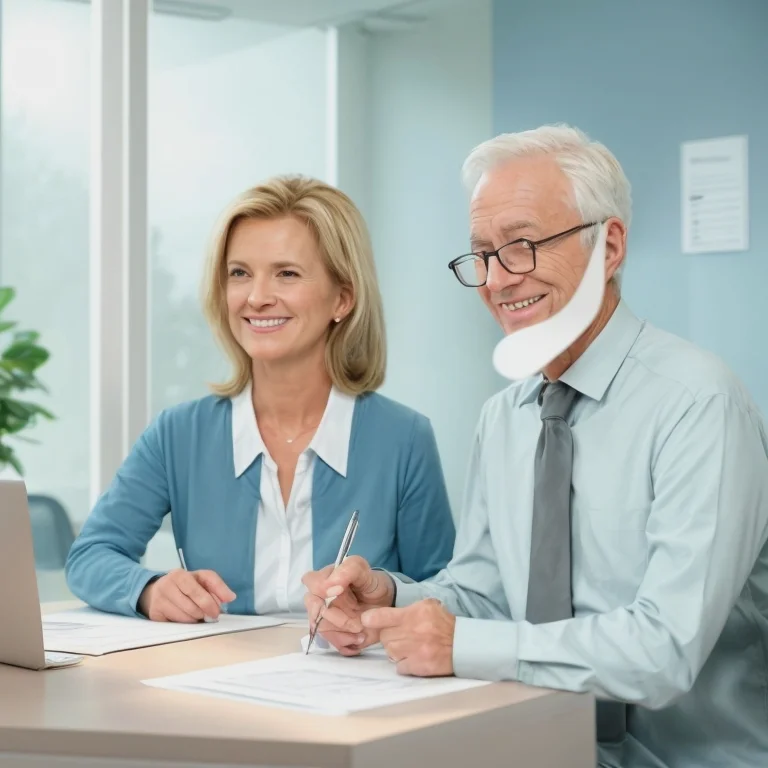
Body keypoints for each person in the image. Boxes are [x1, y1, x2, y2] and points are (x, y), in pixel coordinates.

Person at [302, 126, 768, 768]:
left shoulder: (700, 404)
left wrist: (459, 645)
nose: (497, 280)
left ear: (609, 247)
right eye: (483, 255)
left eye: (521, 247)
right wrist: (390, 599)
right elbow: (485, 596)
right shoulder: (505, 417)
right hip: (538, 745)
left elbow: (665, 651)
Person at [66, 175, 455, 623]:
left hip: (356, 683)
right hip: (214, 682)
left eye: (286, 274)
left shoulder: (403, 439)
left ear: (342, 299)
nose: (256, 297)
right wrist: (149, 590)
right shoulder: (178, 435)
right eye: (240, 274)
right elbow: (92, 555)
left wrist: (386, 595)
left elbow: (444, 591)